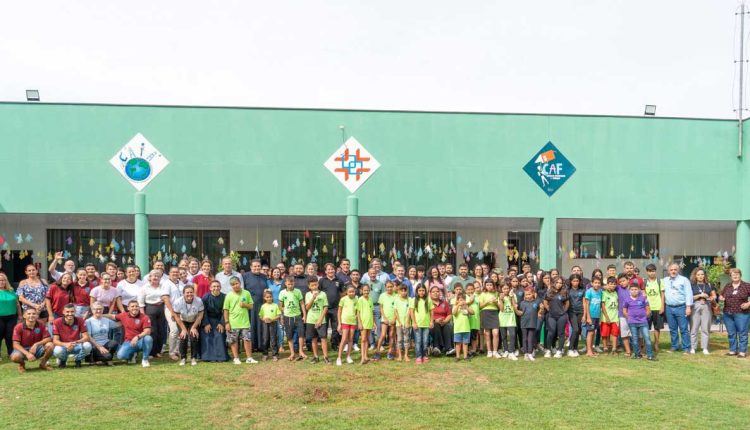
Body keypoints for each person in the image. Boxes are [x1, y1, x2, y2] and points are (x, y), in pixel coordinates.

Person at [107, 301, 153, 367]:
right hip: (129, 342)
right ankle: (132, 355)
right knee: (120, 356)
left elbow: (147, 331)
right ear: (128, 308)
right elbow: (112, 316)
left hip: (140, 341)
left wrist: (137, 337)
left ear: (139, 307)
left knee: (148, 338)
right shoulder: (124, 315)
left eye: (136, 306)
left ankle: (145, 359)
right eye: (132, 306)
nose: (135, 308)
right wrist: (99, 314)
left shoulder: (145, 317)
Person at [138, 270, 171, 358]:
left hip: (161, 309)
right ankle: (151, 352)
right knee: (152, 331)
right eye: (153, 276)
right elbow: (141, 303)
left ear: (160, 278)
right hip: (149, 309)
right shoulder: (144, 287)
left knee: (161, 331)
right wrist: (143, 315)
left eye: (158, 276)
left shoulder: (163, 287)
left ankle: (158, 351)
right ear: (149, 277)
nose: (155, 277)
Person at [224, 276, 257, 364]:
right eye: (233, 284)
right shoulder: (229, 295)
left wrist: (245, 305)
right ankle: (236, 358)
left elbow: (252, 306)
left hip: (245, 322)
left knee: (247, 340)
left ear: (240, 283)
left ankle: (249, 358)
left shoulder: (246, 293)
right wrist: (227, 322)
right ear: (231, 286)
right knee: (233, 341)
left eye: (236, 283)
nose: (235, 286)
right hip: (233, 322)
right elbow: (226, 310)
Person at [10, 307, 54, 372]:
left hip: (37, 349)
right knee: (15, 357)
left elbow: (48, 338)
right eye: (29, 314)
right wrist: (27, 354)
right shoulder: (18, 327)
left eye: (34, 314)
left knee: (50, 345)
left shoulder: (41, 324)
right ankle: (22, 364)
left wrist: (36, 344)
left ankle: (43, 363)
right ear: (24, 316)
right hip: (23, 350)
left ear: (37, 316)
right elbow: (15, 344)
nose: (31, 315)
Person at [719, 268, 750, 358]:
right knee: (731, 333)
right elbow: (722, 295)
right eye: (733, 275)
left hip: (742, 313)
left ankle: (742, 352)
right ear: (730, 276)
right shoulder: (727, 286)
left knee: (742, 333)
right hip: (727, 313)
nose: (735, 276)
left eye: (737, 274)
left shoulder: (746, 285)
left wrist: (748, 303)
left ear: (740, 275)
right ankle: (732, 350)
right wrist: (721, 298)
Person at [663, 263, 693, 353]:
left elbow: (689, 293)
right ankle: (674, 346)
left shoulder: (684, 280)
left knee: (683, 329)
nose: (673, 271)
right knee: (672, 329)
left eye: (675, 269)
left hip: (681, 307)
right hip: (669, 307)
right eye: (671, 270)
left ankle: (686, 348)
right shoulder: (665, 280)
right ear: (668, 271)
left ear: (678, 270)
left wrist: (688, 307)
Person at [52, 303, 92, 367]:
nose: (70, 314)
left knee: (87, 346)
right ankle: (63, 360)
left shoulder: (80, 320)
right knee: (57, 350)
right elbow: (55, 341)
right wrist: (66, 344)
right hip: (64, 346)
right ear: (63, 312)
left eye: (72, 311)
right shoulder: (57, 322)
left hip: (76, 345)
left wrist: (75, 342)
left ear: (75, 312)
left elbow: (86, 337)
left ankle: (78, 360)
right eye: (67, 312)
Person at [172, 285, 204, 366]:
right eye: (187, 293)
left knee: (193, 337)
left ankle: (193, 357)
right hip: (182, 321)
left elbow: (200, 314)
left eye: (191, 292)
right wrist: (183, 329)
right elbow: (176, 317)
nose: (189, 294)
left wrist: (193, 327)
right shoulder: (178, 302)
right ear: (183, 294)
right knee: (183, 337)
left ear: (194, 293)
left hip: (194, 320)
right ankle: (183, 358)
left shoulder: (199, 301)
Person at [622, 284, 655, 361]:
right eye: (632, 289)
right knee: (635, 339)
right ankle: (637, 354)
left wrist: (644, 317)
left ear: (639, 290)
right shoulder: (627, 300)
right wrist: (629, 318)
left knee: (647, 338)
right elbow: (624, 311)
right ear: (629, 291)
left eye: (636, 289)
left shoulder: (643, 298)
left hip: (643, 322)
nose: (634, 291)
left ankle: (650, 355)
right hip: (632, 323)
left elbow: (648, 309)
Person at [242, 259, 268, 355]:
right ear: (251, 267)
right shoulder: (245, 276)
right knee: (251, 325)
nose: (257, 268)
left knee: (261, 325)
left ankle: (261, 345)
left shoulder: (264, 277)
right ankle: (252, 346)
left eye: (258, 266)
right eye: (255, 266)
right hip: (250, 305)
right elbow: (243, 291)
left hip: (262, 304)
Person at [279, 275, 306, 362]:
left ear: (294, 283)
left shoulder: (298, 291)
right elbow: (280, 305)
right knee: (289, 336)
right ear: (286, 284)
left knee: (301, 334)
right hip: (288, 317)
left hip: (298, 316)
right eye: (288, 284)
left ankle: (301, 351)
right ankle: (292, 353)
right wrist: (283, 314)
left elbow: (302, 303)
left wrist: (304, 315)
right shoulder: (282, 293)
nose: (290, 285)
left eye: (292, 284)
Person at [200, 280, 229, 362]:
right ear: (210, 288)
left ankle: (220, 357)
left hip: (219, 320)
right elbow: (203, 311)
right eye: (214, 286)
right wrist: (206, 323)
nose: (216, 288)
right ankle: (208, 357)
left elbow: (226, 311)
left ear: (220, 287)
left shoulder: (225, 297)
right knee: (208, 335)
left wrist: (222, 323)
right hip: (208, 320)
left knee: (219, 336)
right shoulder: (206, 297)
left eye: (217, 286)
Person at [689, 268, 715, 355]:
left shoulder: (709, 285)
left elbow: (714, 295)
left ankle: (705, 348)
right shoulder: (691, 285)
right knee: (694, 327)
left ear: (704, 275)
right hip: (695, 306)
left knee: (705, 328)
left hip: (706, 306)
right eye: (698, 275)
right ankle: (693, 347)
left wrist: (709, 297)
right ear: (695, 276)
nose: (700, 276)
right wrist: (700, 295)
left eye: (702, 274)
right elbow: (689, 297)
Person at [319, 263, 344, 351]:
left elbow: (342, 293)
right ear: (325, 271)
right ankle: (324, 345)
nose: (330, 271)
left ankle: (334, 344)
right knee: (324, 327)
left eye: (332, 269)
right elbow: (319, 293)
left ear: (335, 270)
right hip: (324, 308)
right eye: (328, 269)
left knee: (335, 327)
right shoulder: (322, 281)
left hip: (336, 308)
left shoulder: (339, 281)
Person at [543, 277, 570, 358]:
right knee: (551, 332)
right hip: (551, 316)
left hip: (562, 316)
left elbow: (567, 303)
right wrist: (549, 309)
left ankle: (559, 351)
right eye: (557, 282)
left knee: (561, 333)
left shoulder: (564, 292)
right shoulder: (549, 292)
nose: (559, 284)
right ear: (553, 283)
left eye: (561, 283)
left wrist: (564, 311)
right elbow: (545, 302)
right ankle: (548, 350)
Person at [305, 278, 329, 364]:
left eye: (316, 284)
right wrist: (313, 297)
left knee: (323, 338)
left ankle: (326, 357)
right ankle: (316, 356)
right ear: (309, 286)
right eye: (312, 285)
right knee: (314, 339)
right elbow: (307, 307)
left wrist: (320, 320)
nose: (314, 287)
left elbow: (325, 307)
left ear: (318, 284)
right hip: (311, 320)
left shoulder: (323, 294)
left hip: (321, 320)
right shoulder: (308, 294)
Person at [643, 264, 665, 353]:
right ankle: (646, 344)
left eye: (653, 271)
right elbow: (643, 296)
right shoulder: (644, 282)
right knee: (645, 327)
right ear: (647, 272)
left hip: (658, 307)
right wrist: (645, 308)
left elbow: (663, 295)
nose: (651, 273)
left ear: (655, 271)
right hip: (648, 308)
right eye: (649, 271)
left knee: (657, 327)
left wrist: (662, 306)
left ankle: (656, 344)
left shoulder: (660, 281)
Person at [410, 284, 433, 364]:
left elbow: (431, 311)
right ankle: (418, 356)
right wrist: (414, 322)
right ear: (416, 291)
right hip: (417, 325)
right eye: (419, 290)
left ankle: (425, 355)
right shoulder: (413, 300)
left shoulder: (428, 300)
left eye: (423, 290)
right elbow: (411, 312)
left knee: (425, 341)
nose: (421, 292)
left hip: (426, 324)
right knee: (418, 341)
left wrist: (431, 321)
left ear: (425, 291)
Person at [0, 273, 21, 361]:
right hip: (0, 317)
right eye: (0, 280)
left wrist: (20, 315)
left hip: (12, 317)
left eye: (3, 280)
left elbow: (17, 304)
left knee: (9, 336)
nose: (1, 282)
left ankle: (11, 353)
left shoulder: (11, 291)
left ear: (6, 281)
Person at [373, 280, 396, 361]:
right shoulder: (382, 295)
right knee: (382, 335)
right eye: (388, 287)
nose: (389, 288)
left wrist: (394, 318)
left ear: (393, 287)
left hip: (393, 318)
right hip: (384, 319)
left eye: (391, 286)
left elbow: (396, 309)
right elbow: (381, 307)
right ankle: (377, 351)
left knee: (391, 335)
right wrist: (384, 317)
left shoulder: (396, 296)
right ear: (385, 287)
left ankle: (390, 352)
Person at [363, 267, 384, 350]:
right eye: (371, 273)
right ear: (368, 274)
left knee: (379, 326)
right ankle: (372, 343)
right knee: (369, 325)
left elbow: (383, 296)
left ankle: (380, 343)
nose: (372, 275)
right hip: (368, 306)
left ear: (376, 274)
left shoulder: (381, 284)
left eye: (374, 273)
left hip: (378, 306)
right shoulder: (366, 284)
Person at [336, 285, 358, 366]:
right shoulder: (343, 299)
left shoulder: (356, 299)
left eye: (353, 291)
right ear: (347, 292)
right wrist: (339, 323)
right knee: (344, 339)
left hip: (353, 322)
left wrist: (356, 318)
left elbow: (357, 311)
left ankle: (348, 356)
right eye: (350, 292)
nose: (352, 293)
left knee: (351, 339)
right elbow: (339, 312)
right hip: (345, 321)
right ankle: (339, 357)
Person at [498, 282, 520, 360]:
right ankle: (506, 350)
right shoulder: (500, 296)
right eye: (504, 289)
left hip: (511, 318)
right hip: (503, 318)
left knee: (512, 335)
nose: (506, 290)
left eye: (507, 288)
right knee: (503, 336)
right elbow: (501, 309)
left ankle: (511, 352)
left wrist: (511, 297)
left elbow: (514, 306)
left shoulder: (513, 295)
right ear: (501, 289)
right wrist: (501, 299)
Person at [429, 286, 453, 357]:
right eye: (433, 292)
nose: (435, 293)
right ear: (430, 293)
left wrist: (445, 321)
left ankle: (449, 349)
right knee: (436, 325)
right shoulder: (428, 303)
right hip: (433, 323)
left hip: (444, 323)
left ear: (439, 293)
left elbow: (449, 314)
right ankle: (437, 348)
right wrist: (435, 320)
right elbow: (426, 316)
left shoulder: (444, 303)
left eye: (437, 291)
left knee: (448, 326)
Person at [479, 279, 501, 358]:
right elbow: (480, 306)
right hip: (485, 313)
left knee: (495, 333)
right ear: (485, 286)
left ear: (493, 286)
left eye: (491, 285)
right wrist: (488, 301)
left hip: (494, 313)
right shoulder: (483, 294)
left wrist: (495, 302)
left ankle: (495, 351)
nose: (489, 286)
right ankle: (489, 351)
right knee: (487, 334)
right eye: (487, 285)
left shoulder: (496, 293)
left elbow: (499, 307)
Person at [518, 288, 540, 361]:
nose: (528, 296)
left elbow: (540, 311)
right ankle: (525, 353)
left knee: (530, 339)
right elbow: (520, 312)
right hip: (524, 323)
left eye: (529, 294)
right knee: (525, 339)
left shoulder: (536, 303)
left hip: (532, 323)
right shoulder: (522, 303)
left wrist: (541, 309)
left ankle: (530, 353)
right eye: (526, 294)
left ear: (533, 294)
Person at [259, 290, 281, 361]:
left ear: (272, 297)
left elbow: (278, 315)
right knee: (265, 339)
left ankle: (275, 354)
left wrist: (272, 319)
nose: (269, 298)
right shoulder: (263, 306)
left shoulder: (275, 305)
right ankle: (265, 354)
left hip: (273, 323)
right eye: (267, 297)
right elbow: (260, 316)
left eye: (270, 297)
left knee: (273, 339)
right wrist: (264, 319)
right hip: (265, 324)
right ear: (264, 298)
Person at [583, 277, 603, 357]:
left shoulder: (600, 291)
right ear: (592, 283)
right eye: (595, 282)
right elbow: (586, 305)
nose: (597, 284)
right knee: (590, 333)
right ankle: (589, 351)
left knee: (593, 333)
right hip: (591, 316)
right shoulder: (589, 292)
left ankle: (591, 349)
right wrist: (588, 317)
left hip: (597, 316)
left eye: (599, 283)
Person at [600, 277, 620, 354]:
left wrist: (617, 315)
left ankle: (614, 348)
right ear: (607, 284)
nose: (612, 285)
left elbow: (617, 304)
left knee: (615, 333)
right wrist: (607, 317)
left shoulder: (615, 293)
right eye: (611, 284)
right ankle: (605, 347)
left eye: (614, 284)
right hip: (605, 318)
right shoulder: (604, 293)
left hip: (615, 318)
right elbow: (603, 306)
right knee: (605, 333)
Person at [615, 274, 633, 357]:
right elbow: (607, 285)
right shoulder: (618, 288)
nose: (622, 283)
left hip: (633, 315)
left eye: (624, 280)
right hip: (622, 315)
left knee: (635, 333)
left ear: (628, 280)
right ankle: (628, 351)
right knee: (624, 334)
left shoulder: (633, 289)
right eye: (620, 281)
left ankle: (638, 350)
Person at [355, 284, 375, 364]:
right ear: (361, 291)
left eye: (367, 290)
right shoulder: (360, 299)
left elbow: (372, 312)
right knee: (363, 340)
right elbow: (358, 312)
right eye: (364, 290)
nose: (366, 292)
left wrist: (373, 323)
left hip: (369, 322)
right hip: (363, 322)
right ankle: (362, 357)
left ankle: (366, 356)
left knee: (366, 339)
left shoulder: (370, 299)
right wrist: (359, 323)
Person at [452, 293, 474, 361]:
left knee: (465, 343)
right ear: (457, 300)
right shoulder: (455, 306)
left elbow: (472, 312)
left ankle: (465, 356)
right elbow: (453, 313)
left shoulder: (467, 306)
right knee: (458, 343)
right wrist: (458, 305)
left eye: (463, 300)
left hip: (466, 328)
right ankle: (457, 356)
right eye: (460, 300)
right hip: (458, 329)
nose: (462, 301)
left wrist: (466, 307)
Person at [567, 274, 585, 357]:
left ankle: (575, 349)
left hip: (580, 312)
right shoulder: (567, 290)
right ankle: (570, 349)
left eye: (577, 281)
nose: (575, 282)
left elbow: (584, 302)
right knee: (575, 329)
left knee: (578, 331)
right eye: (574, 281)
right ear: (571, 282)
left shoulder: (582, 290)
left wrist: (585, 314)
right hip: (571, 312)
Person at [392, 284, 411, 362]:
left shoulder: (409, 299)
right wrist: (399, 322)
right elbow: (395, 311)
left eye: (405, 290)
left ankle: (406, 355)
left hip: (407, 323)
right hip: (398, 324)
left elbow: (410, 311)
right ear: (398, 291)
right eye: (401, 290)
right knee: (399, 339)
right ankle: (400, 355)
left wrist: (407, 321)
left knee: (406, 339)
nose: (403, 292)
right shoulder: (396, 300)